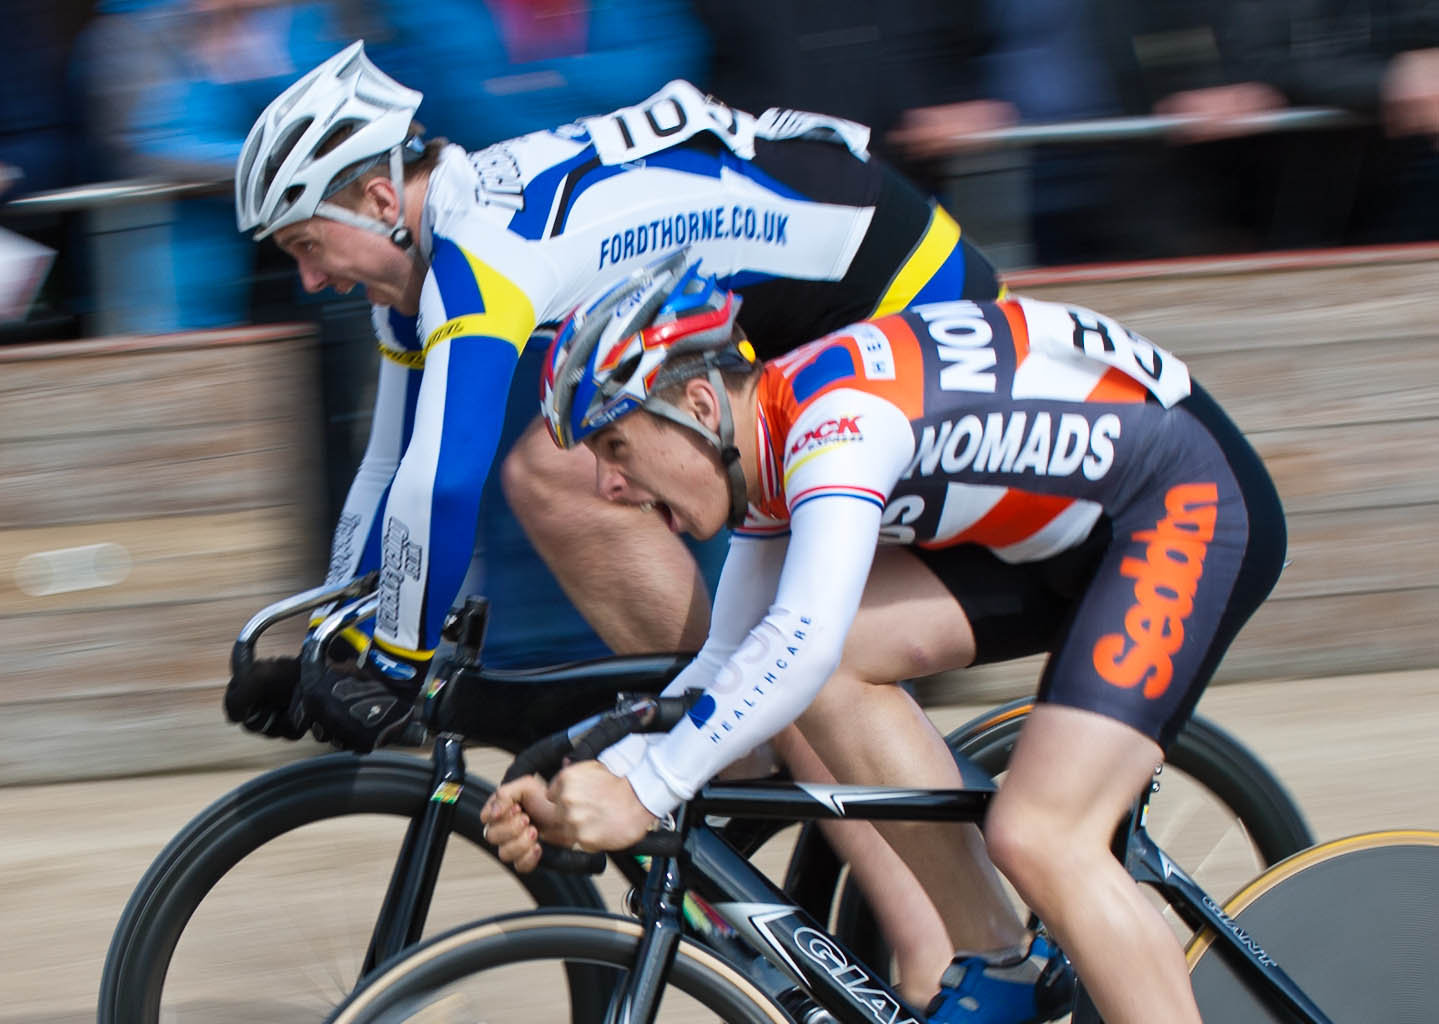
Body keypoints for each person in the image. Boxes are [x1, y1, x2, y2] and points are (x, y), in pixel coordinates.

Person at [221, 40, 1014, 1006]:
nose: (307, 280)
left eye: (306, 245)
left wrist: (391, 658)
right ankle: (724, 725)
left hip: (902, 302)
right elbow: (386, 469)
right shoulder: (419, 275)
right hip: (804, 309)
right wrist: (336, 640)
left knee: (790, 644)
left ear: (382, 203)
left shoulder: (477, 255)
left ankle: (929, 941)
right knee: (558, 471)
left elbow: (443, 482)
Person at [481, 253, 1286, 1023]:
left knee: (1043, 835)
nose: (605, 484)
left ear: (696, 406)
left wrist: (641, 794)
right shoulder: (761, 453)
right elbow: (728, 667)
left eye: (614, 444)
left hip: (1179, 502)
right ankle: (997, 958)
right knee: (826, 677)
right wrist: (590, 781)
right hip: (1063, 529)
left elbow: (802, 639)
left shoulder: (834, 425)